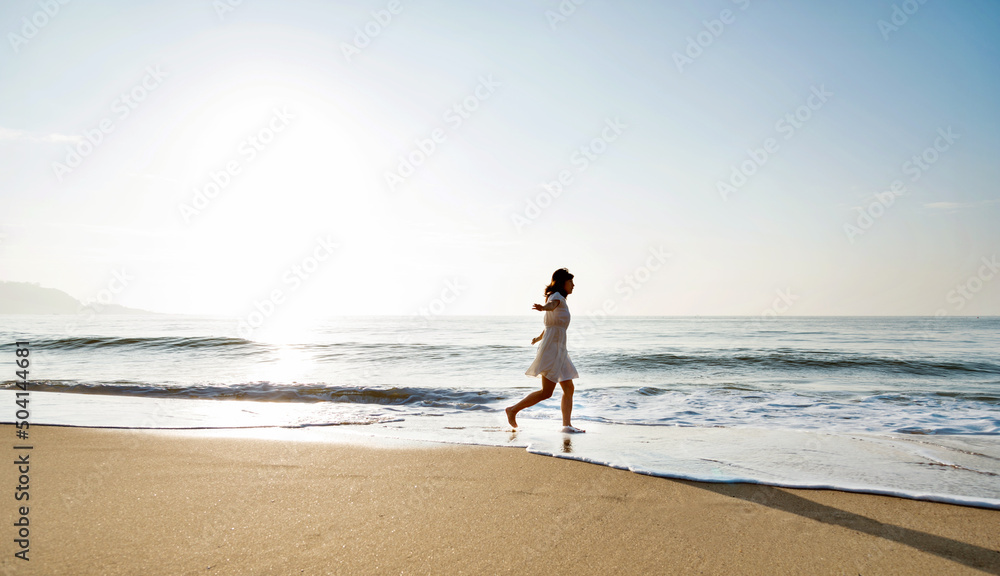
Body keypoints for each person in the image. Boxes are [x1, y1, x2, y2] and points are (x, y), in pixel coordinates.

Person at [505, 268, 585, 433]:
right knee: (547, 392)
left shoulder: (560, 299)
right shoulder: (556, 297)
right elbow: (551, 306)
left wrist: (539, 337)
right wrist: (543, 307)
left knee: (569, 388)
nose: (573, 285)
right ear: (562, 282)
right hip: (553, 348)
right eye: (571, 282)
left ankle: (567, 426)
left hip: (558, 347)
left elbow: (551, 324)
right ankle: (512, 410)